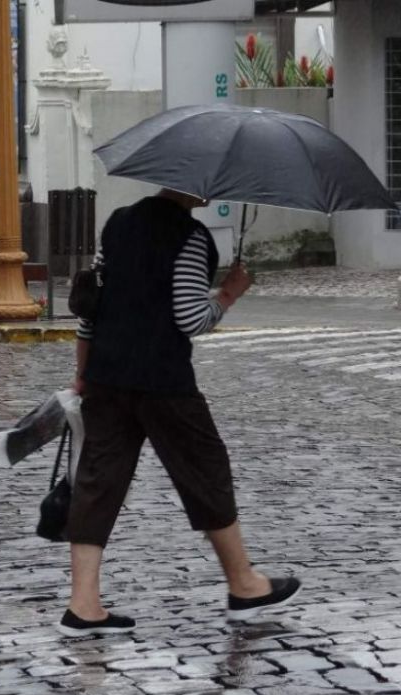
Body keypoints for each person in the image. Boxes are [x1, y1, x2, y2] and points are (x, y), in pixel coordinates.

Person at [61, 188, 301, 636]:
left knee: (98, 481)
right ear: (189, 186)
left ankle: (83, 605)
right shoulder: (190, 238)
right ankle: (245, 584)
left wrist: (82, 373)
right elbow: (190, 318)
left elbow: (91, 305)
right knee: (206, 470)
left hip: (106, 376)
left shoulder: (117, 222)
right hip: (163, 381)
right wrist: (228, 294)